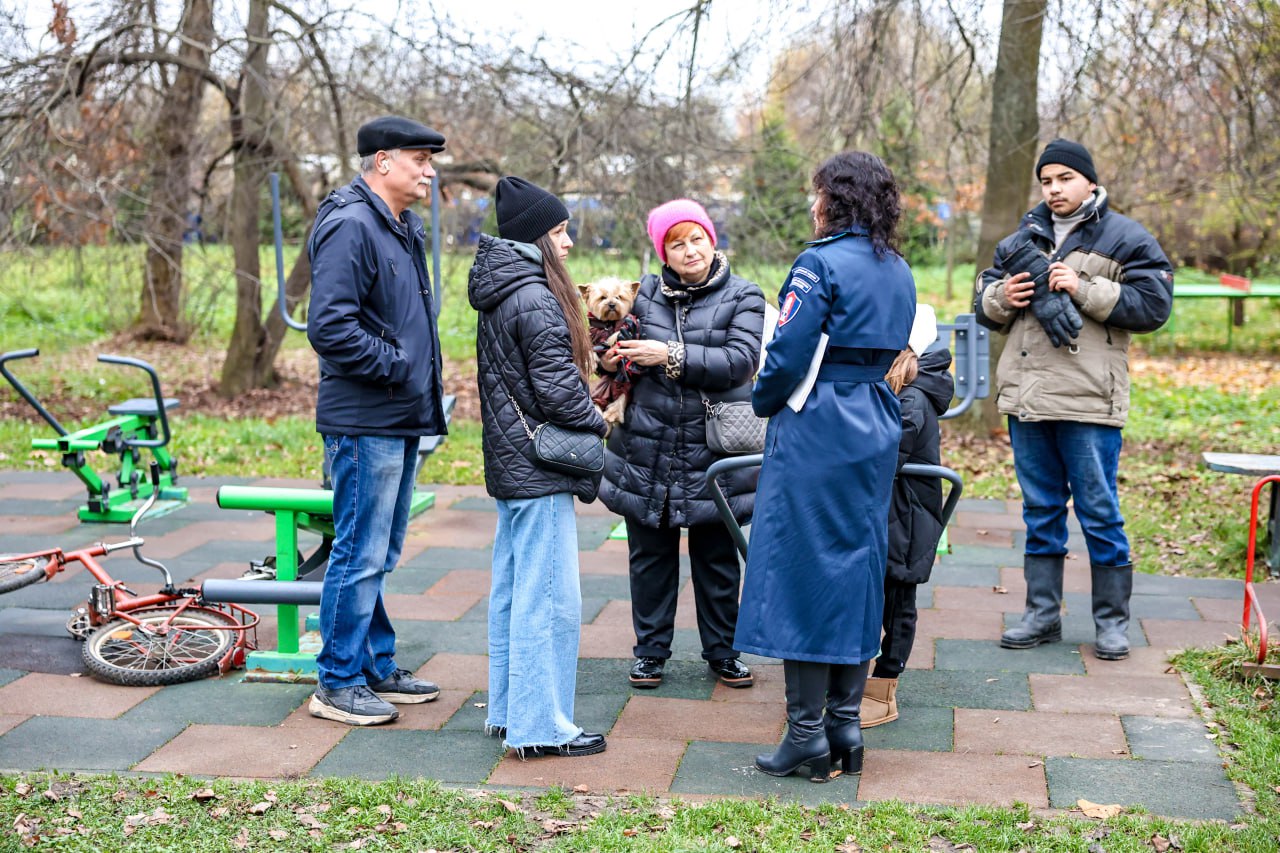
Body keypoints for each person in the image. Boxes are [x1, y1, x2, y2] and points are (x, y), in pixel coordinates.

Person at [735, 151, 915, 782]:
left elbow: (786, 353)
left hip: (818, 422)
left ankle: (806, 734)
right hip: (875, 416)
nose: (812, 205)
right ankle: (845, 725)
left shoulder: (817, 263)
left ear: (834, 199)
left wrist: (763, 399)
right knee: (856, 568)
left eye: (817, 194)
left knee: (803, 571)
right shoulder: (898, 267)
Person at [974, 139, 1173, 661]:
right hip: (1027, 399)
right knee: (1040, 510)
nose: (1054, 189)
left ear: (1089, 181)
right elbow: (983, 302)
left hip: (1089, 401)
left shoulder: (1126, 237)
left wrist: (1083, 288)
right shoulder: (1020, 240)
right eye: (1046, 180)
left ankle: (1112, 623)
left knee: (1099, 511)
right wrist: (1001, 298)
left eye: (1065, 178)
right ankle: (1042, 615)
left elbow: (1154, 306)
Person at [305, 116, 449, 725]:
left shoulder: (397, 225)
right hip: (367, 416)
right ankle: (337, 681)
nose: (430, 171)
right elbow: (329, 326)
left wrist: (413, 381)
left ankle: (372, 664)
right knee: (359, 552)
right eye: (421, 159)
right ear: (383, 161)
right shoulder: (352, 224)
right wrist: (397, 367)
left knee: (380, 551)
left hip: (399, 413)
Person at [598, 198, 764, 690]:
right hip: (646, 447)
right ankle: (650, 652)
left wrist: (668, 354)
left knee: (716, 559)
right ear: (662, 253)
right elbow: (609, 340)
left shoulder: (744, 295)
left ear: (712, 241)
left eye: (697, 239)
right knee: (649, 558)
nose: (690, 250)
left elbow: (740, 361)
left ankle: (723, 652)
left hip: (714, 449)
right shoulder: (643, 294)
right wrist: (608, 360)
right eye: (676, 244)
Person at [469, 176, 609, 757]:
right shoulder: (534, 297)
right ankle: (544, 726)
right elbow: (559, 395)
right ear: (535, 238)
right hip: (539, 468)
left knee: (514, 592)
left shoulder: (501, 289)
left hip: (512, 464)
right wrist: (600, 420)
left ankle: (511, 712)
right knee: (548, 599)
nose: (568, 241)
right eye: (559, 230)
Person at [862, 306, 955, 729]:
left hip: (904, 515)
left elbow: (885, 455)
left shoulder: (912, 395)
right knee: (879, 593)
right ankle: (858, 676)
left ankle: (884, 686)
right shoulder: (894, 384)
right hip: (892, 510)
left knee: (898, 599)